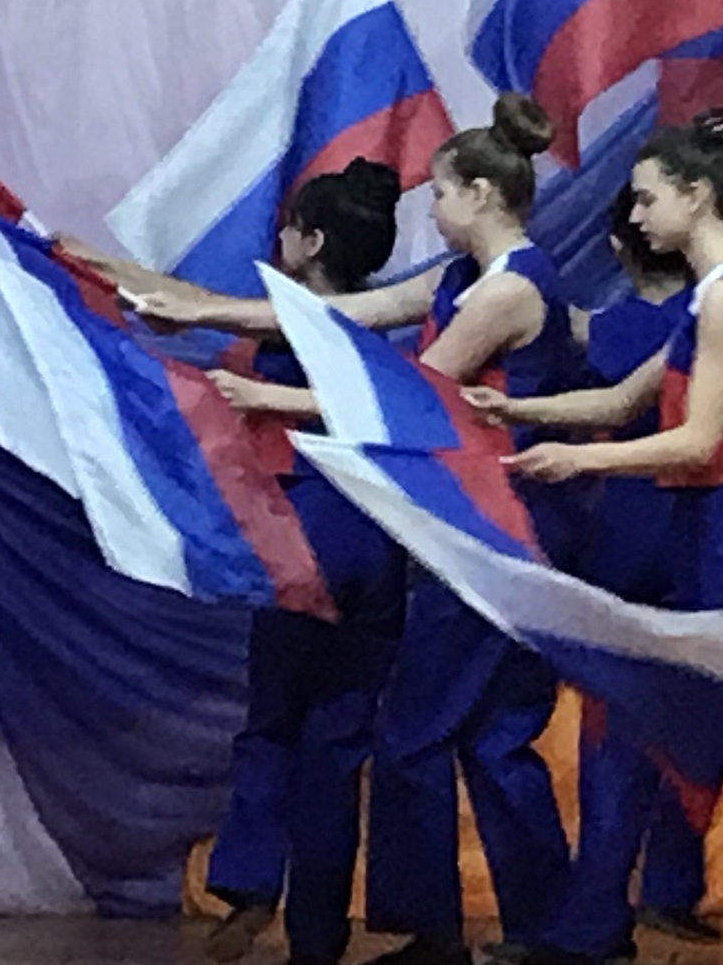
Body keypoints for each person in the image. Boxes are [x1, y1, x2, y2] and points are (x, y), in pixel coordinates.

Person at [116, 96, 581, 965]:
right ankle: (538, 929)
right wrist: (200, 313)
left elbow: (401, 395)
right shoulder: (461, 278)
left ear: (481, 193)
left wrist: (265, 396)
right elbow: (335, 318)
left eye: (440, 194)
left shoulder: (510, 290)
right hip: (452, 528)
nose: (432, 212)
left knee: (419, 735)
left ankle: (473, 931)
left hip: (498, 530)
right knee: (487, 740)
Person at [469, 112, 723, 965]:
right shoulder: (707, 296)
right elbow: (621, 402)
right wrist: (513, 408)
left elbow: (694, 439)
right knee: (631, 729)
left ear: (697, 196)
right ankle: (589, 929)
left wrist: (582, 461)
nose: (636, 216)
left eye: (648, 199)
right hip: (699, 535)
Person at [562, 52, 723, 949]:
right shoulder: (708, 307)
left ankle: (599, 908)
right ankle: (663, 889)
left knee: (620, 723)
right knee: (696, 714)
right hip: (683, 524)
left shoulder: (633, 324)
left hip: (636, 525)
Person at [193, 161, 409, 965]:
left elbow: (194, 316)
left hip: (304, 530)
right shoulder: (380, 322)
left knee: (274, 721)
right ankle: (318, 936)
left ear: (311, 242)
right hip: (376, 539)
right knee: (337, 748)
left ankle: (250, 882)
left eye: (288, 228)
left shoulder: (288, 319)